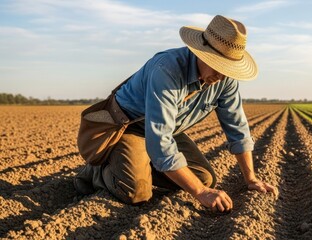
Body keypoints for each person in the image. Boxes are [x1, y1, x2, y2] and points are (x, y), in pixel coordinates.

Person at [74, 15, 277, 212]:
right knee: (136, 192)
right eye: (218, 65)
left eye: (228, 68)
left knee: (204, 177)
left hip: (168, 130)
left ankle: (139, 165)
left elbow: (237, 128)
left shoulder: (225, 80)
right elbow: (160, 142)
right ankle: (98, 172)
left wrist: (251, 179)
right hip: (131, 126)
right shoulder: (167, 70)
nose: (222, 74)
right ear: (201, 53)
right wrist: (201, 192)